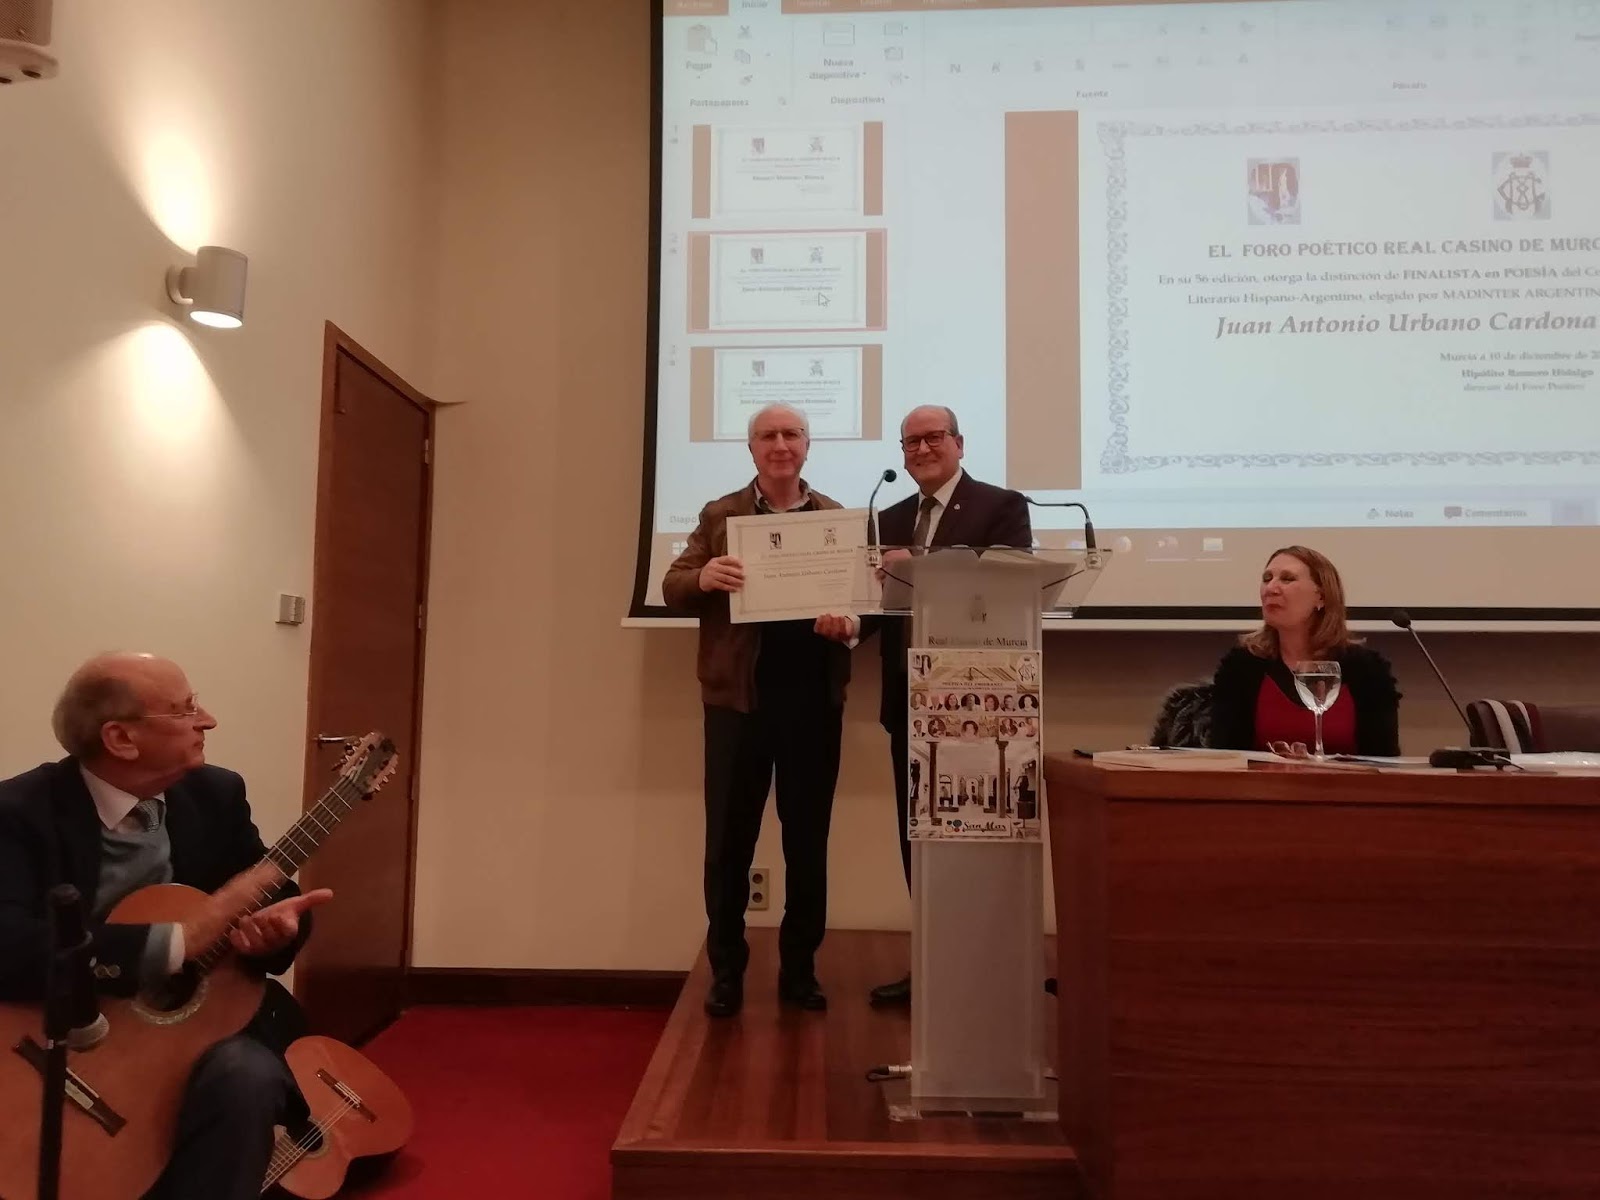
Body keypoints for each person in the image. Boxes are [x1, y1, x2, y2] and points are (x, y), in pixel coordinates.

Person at [0, 652, 333, 1200]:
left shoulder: (216, 795)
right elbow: (8, 945)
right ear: (121, 738)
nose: (208, 721)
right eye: (185, 709)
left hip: (188, 1033)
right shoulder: (18, 813)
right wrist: (175, 942)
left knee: (248, 1077)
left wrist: (276, 931)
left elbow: (271, 892)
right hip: (58, 1035)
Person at [817, 404, 1030, 1007]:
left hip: (983, 705)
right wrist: (852, 626)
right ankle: (934, 967)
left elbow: (1012, 584)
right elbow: (883, 603)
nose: (921, 449)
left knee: (979, 843)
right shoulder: (890, 517)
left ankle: (988, 974)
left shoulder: (1001, 506)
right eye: (910, 442)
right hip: (910, 704)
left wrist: (924, 566)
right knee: (919, 838)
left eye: (933, 437)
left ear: (959, 443)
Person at [662, 403, 849, 1017]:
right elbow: (673, 584)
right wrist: (703, 578)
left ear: (807, 445)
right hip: (737, 705)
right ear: (752, 449)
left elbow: (864, 600)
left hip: (812, 707)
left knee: (808, 844)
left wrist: (849, 622)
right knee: (728, 845)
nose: (780, 444)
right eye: (768, 435)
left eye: (791, 434)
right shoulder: (721, 515)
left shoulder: (835, 518)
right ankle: (726, 972)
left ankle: (800, 970)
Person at [1207, 545, 1401, 756]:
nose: (1271, 588)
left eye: (1287, 579)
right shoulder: (1242, 665)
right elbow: (1224, 756)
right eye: (1267, 579)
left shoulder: (1366, 669)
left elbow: (1384, 760)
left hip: (1345, 779)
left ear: (1321, 597)